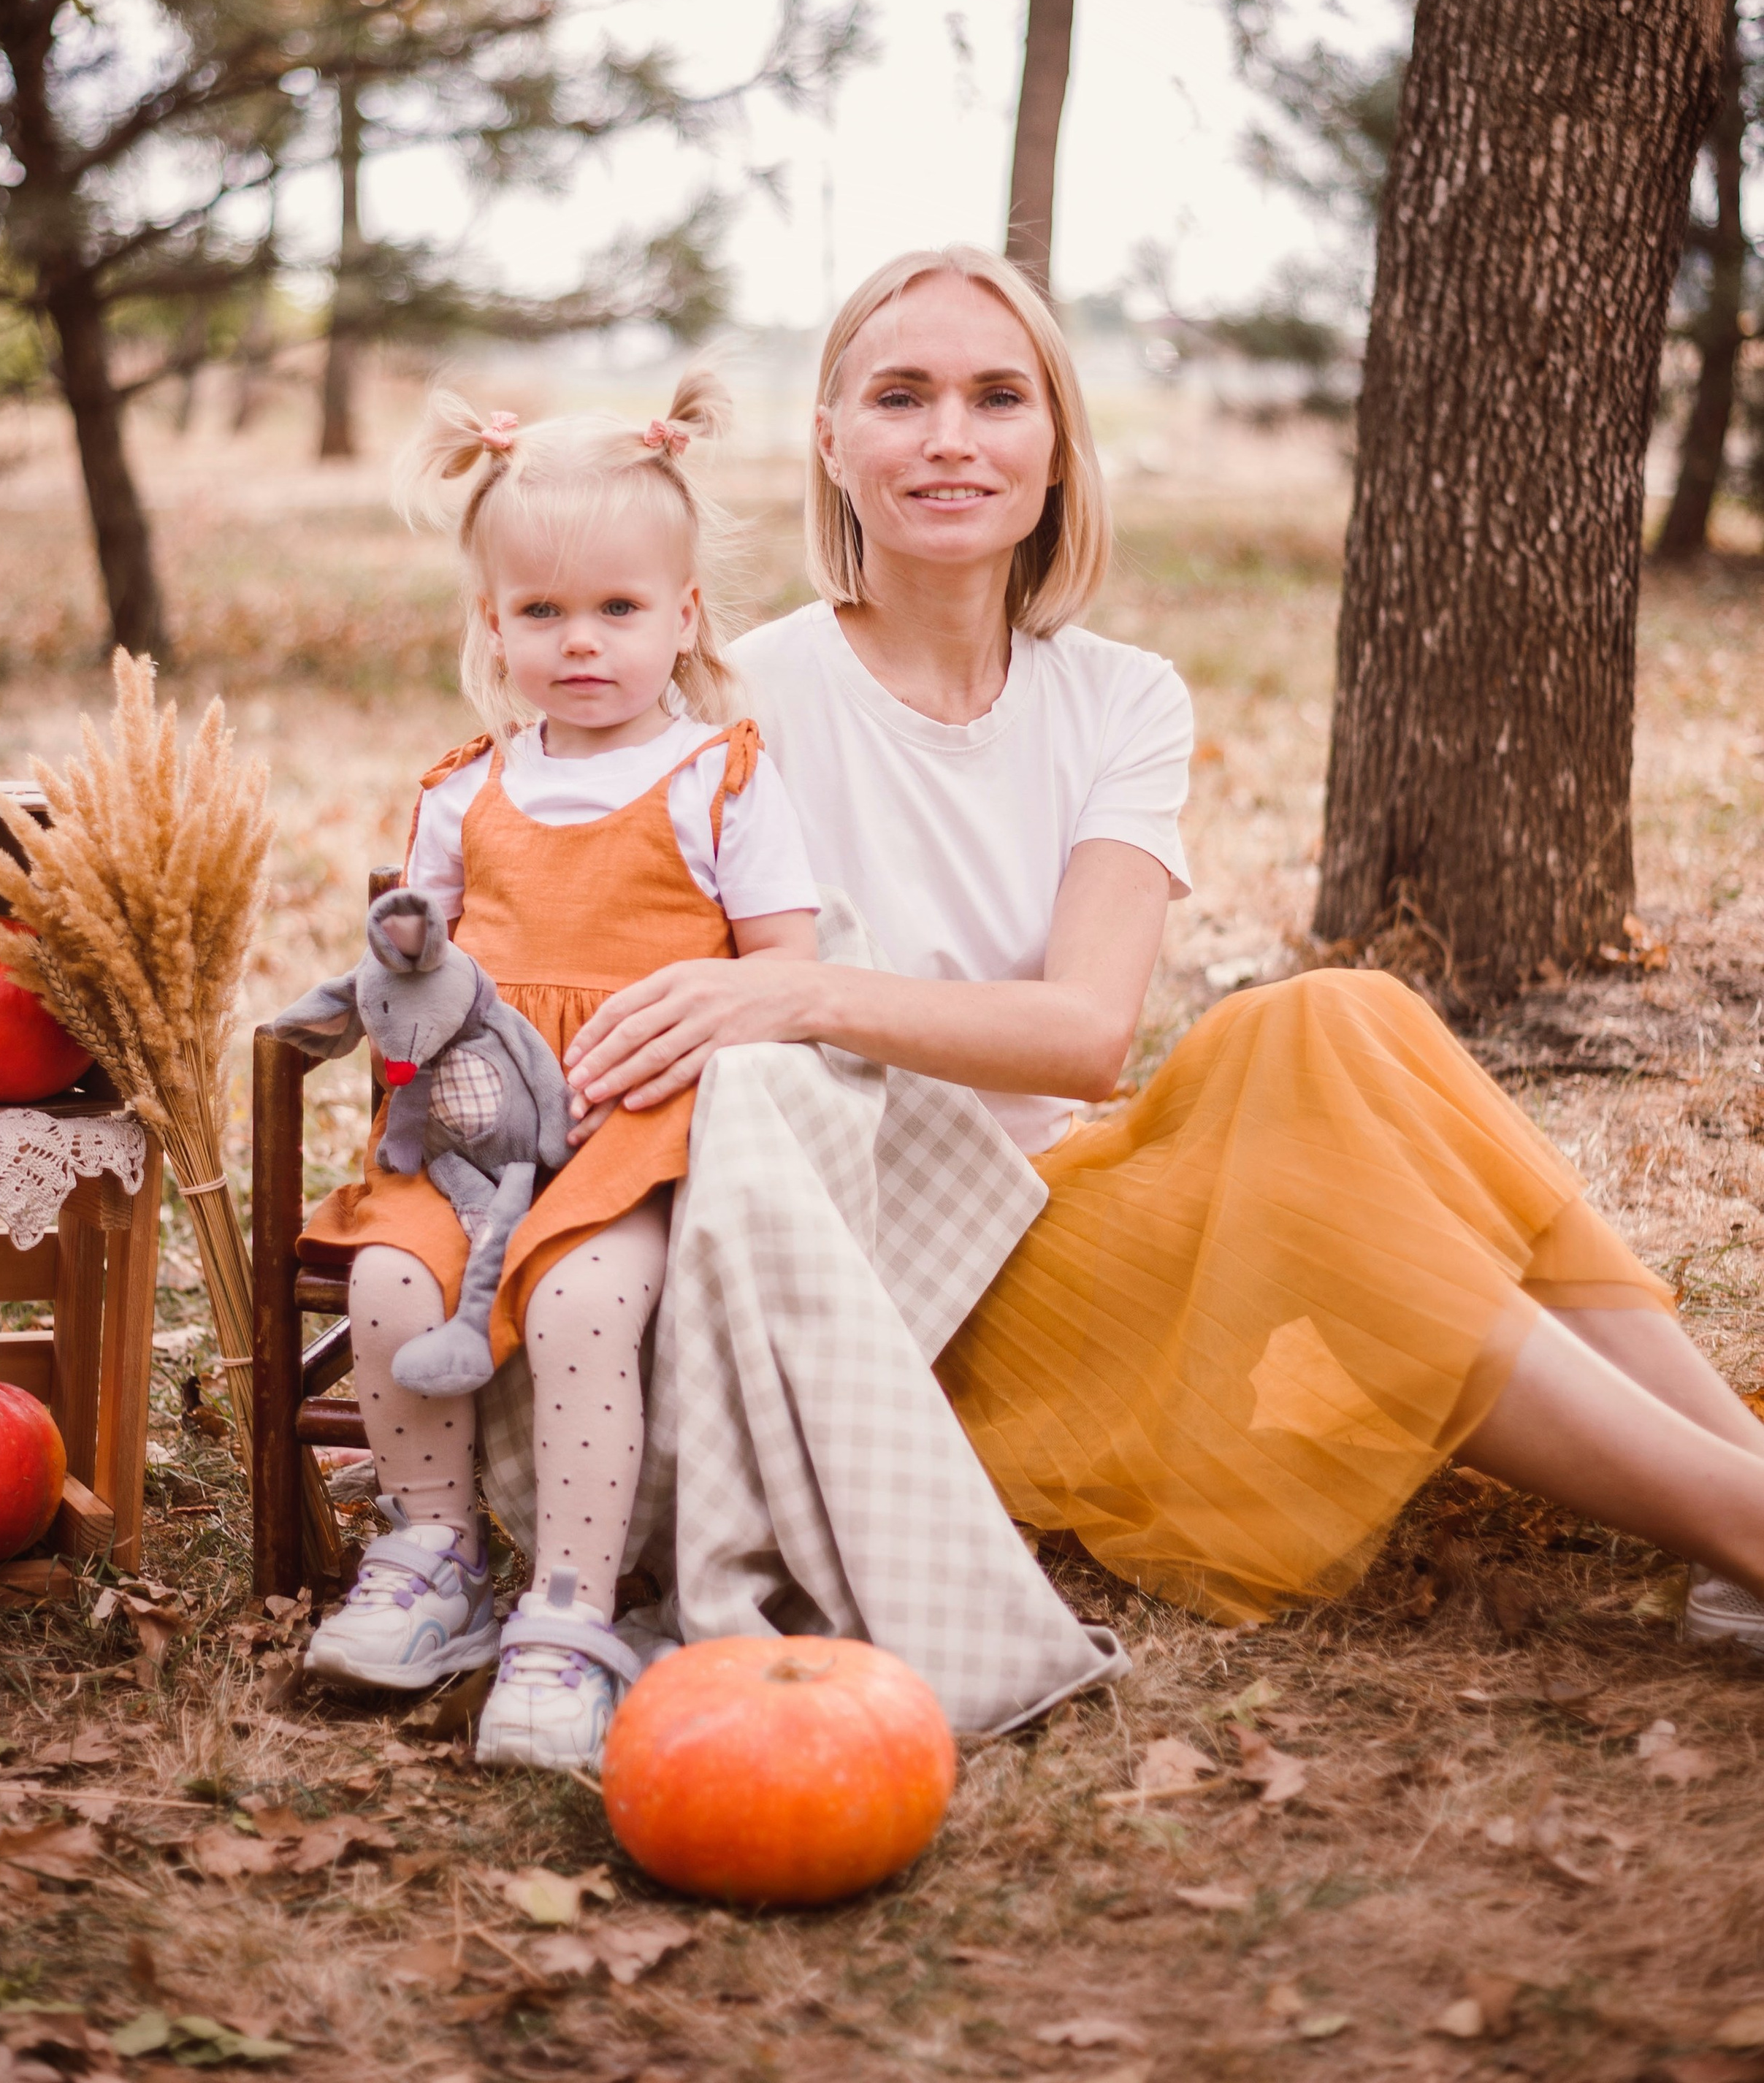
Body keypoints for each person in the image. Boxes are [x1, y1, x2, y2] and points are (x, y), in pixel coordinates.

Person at [561, 245, 1764, 1648]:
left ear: (1057, 444)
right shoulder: (730, 698)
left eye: (997, 397)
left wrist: (801, 988)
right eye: (900, 397)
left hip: (1077, 1165)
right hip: (920, 1266)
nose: (951, 438)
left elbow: (1085, 1037)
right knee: (1335, 1213)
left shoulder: (1124, 696)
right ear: (831, 441)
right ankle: (1742, 1526)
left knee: (1336, 1018)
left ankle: (1742, 1484)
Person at [297, 372, 821, 1765]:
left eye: (619, 610)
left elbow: (787, 972)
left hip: (634, 1131)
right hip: (467, 1137)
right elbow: (417, 967)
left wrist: (694, 1033)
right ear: (493, 625)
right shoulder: (465, 791)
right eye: (542, 613)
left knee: (591, 1301)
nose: (579, 643)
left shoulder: (723, 779)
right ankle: (434, 1561)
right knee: (388, 1278)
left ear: (685, 616)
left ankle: (571, 1611)